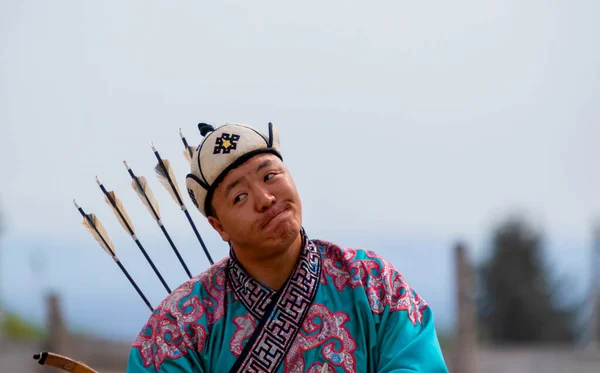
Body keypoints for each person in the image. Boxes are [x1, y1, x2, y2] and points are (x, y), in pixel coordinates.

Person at [126, 122, 449, 373]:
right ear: (218, 226)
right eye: (240, 197)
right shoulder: (179, 325)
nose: (265, 199)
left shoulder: (373, 282)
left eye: (270, 176)